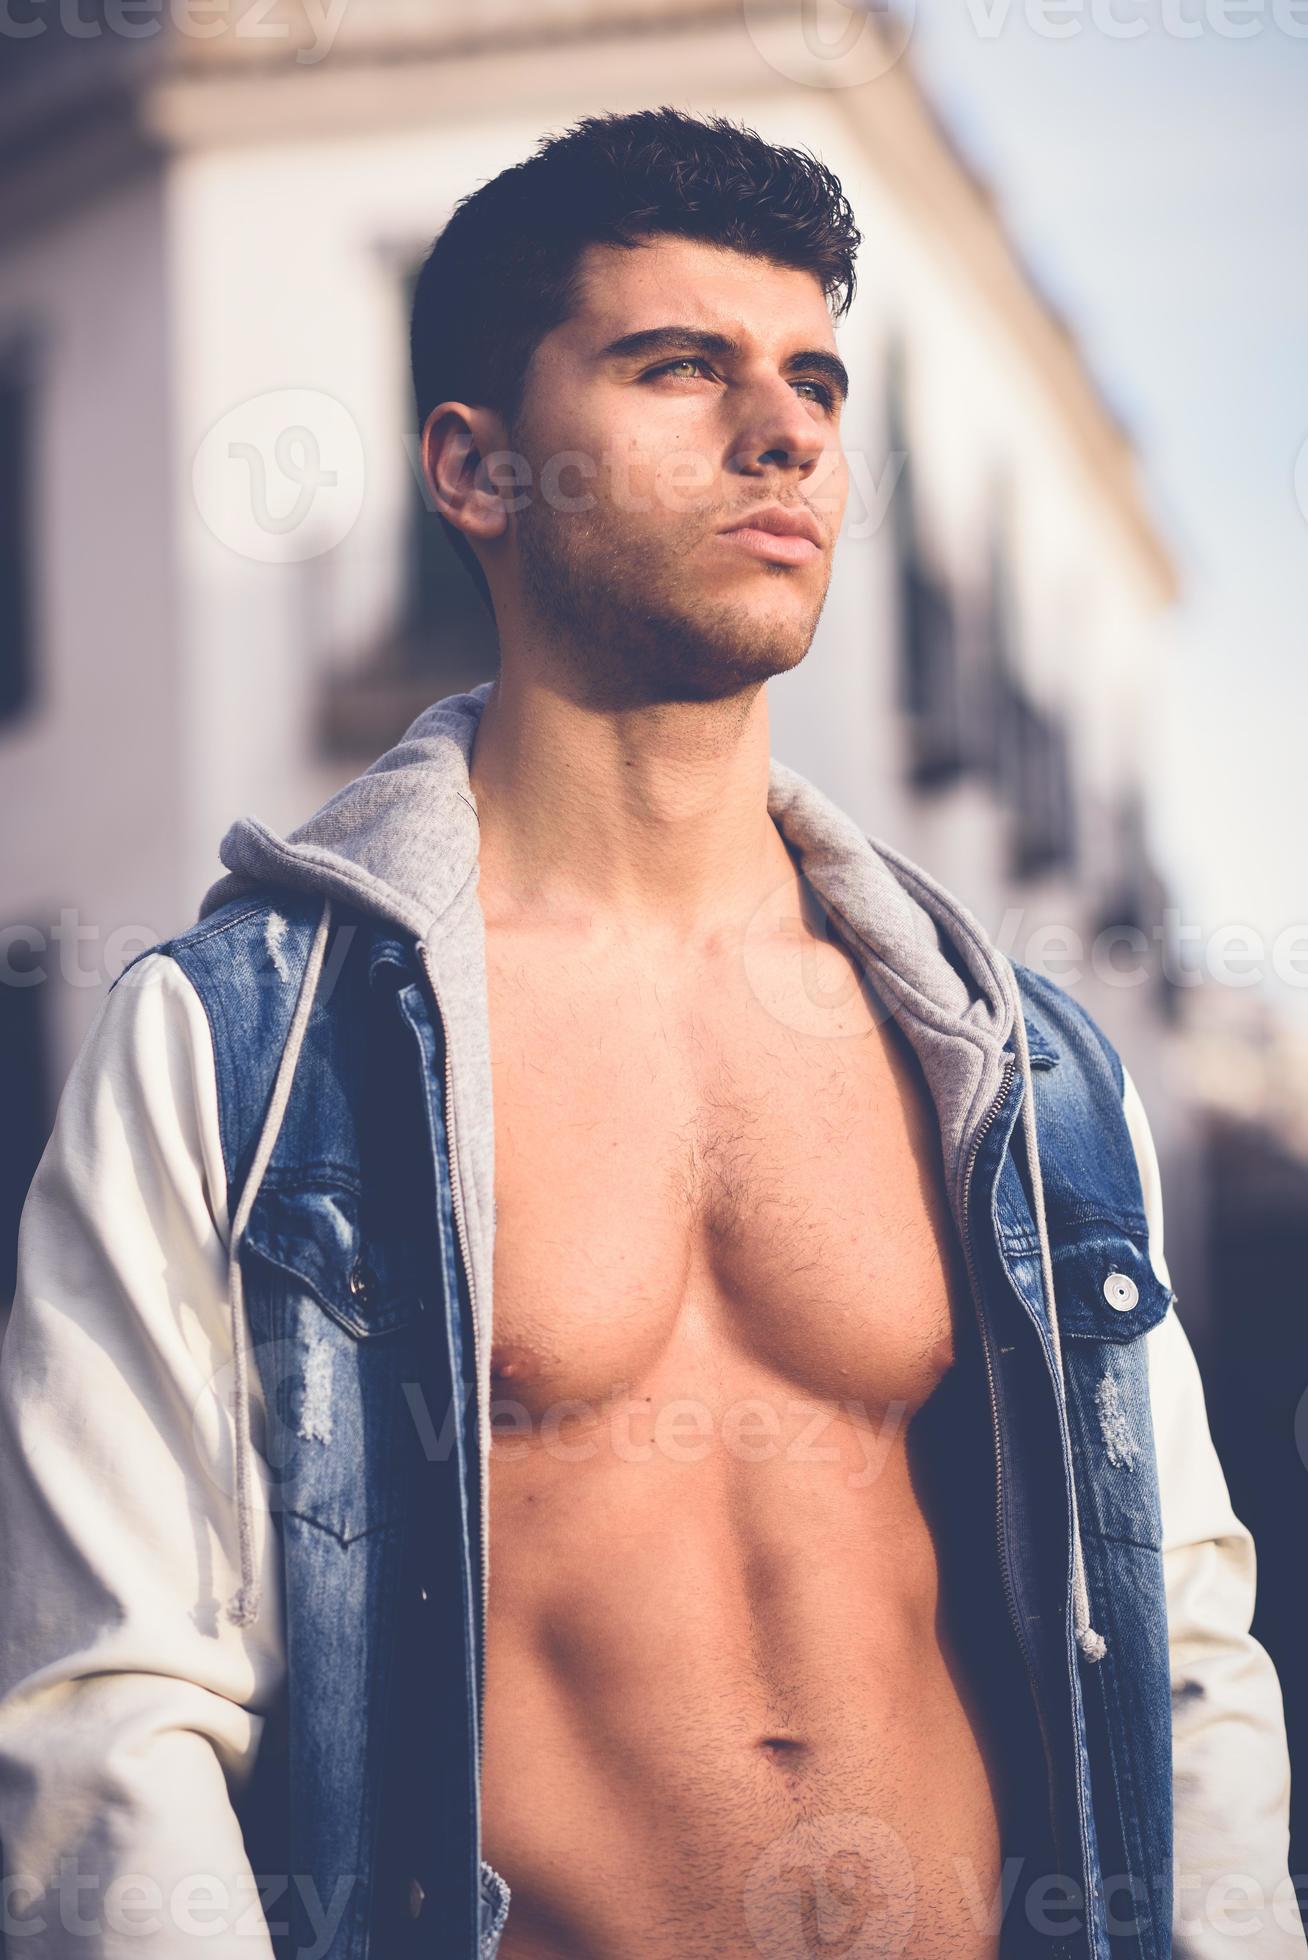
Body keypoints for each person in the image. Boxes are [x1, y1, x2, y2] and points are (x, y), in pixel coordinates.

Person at [0, 106, 1300, 1960]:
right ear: (475, 469)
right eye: (679, 367)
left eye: (815, 383)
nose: (782, 430)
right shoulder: (246, 1052)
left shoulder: (1018, 1072)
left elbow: (1181, 1648)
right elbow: (103, 1729)